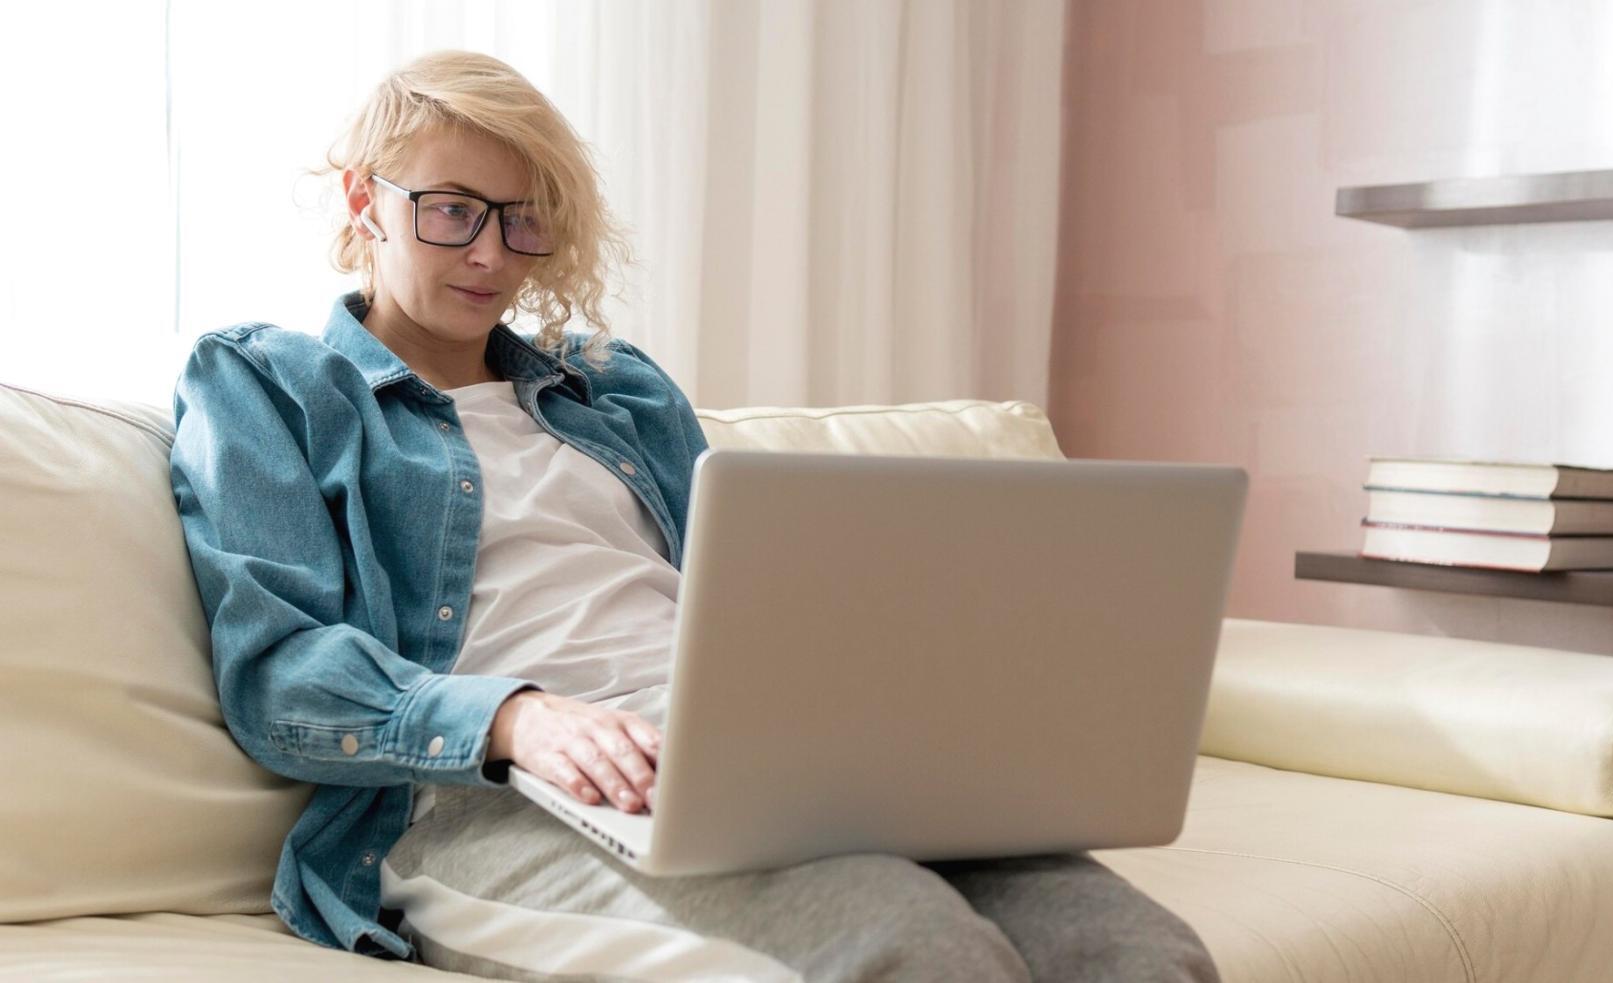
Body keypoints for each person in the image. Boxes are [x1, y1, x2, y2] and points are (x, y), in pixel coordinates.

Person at [168, 50, 1219, 982]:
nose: (491, 255)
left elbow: (762, 596)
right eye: (452, 210)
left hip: (760, 763)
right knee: (908, 945)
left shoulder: (614, 390)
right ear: (365, 198)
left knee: (1134, 952)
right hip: (484, 796)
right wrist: (515, 717)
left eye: (523, 218)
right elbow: (277, 673)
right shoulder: (270, 383)